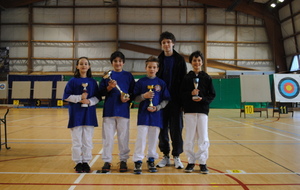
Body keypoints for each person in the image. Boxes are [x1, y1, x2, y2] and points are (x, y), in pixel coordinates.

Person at [132, 56, 171, 174]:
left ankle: (151, 159)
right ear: (146, 68)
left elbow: (166, 100)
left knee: (154, 139)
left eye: (154, 67)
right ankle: (138, 161)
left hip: (156, 116)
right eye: (149, 67)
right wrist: (144, 96)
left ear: (157, 69)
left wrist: (158, 107)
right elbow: (135, 99)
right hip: (143, 115)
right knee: (141, 138)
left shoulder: (161, 83)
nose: (152, 69)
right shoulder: (141, 82)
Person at [99, 51, 135, 173]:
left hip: (123, 111)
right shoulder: (107, 76)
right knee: (107, 137)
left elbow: (133, 92)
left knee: (123, 137)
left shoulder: (128, 76)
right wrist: (109, 87)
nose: (118, 63)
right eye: (115, 61)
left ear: (123, 63)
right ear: (112, 63)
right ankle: (107, 161)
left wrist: (127, 98)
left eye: (120, 61)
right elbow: (100, 93)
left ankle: (124, 160)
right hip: (109, 110)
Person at [63, 57, 100, 173]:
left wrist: (89, 101)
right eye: (81, 64)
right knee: (77, 141)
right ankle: (78, 162)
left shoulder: (93, 82)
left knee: (88, 140)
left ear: (89, 66)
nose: (84, 66)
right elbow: (66, 96)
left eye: (86, 64)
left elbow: (98, 97)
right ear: (77, 66)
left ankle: (86, 161)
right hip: (76, 115)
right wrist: (80, 98)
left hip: (89, 115)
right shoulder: (72, 81)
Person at [180, 50, 216, 174]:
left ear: (202, 62)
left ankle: (202, 162)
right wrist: (190, 93)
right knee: (189, 137)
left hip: (202, 111)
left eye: (199, 60)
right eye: (194, 60)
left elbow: (212, 94)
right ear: (191, 62)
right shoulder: (187, 77)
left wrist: (203, 99)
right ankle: (190, 162)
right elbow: (181, 94)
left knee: (203, 137)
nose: (197, 62)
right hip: (189, 111)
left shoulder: (206, 78)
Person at [156, 31, 187, 169]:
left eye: (168, 42)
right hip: (162, 101)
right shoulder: (158, 60)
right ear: (161, 45)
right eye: (164, 42)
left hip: (176, 101)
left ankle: (177, 156)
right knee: (162, 129)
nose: (166, 44)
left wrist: (182, 103)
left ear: (173, 43)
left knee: (176, 129)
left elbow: (184, 81)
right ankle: (165, 156)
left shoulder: (180, 60)